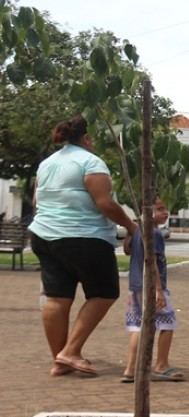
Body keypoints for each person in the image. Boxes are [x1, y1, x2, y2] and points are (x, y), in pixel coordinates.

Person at [28, 115, 138, 377]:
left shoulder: (47, 164)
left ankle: (60, 360)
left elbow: (36, 202)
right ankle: (70, 351)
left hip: (44, 236)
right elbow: (106, 204)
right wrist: (132, 227)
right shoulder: (91, 162)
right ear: (87, 138)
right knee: (104, 293)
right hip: (84, 237)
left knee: (57, 297)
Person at [120, 195, 184, 383]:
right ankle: (161, 365)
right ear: (147, 211)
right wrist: (158, 290)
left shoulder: (139, 229)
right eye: (160, 209)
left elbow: (127, 249)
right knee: (168, 323)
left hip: (135, 286)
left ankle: (130, 369)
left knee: (138, 326)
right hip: (150, 286)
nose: (165, 212)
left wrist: (132, 231)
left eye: (165, 208)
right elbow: (152, 262)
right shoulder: (154, 233)